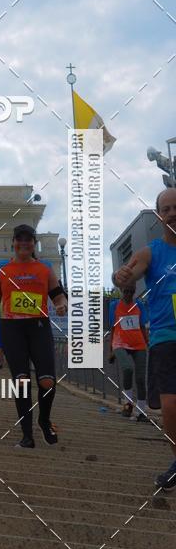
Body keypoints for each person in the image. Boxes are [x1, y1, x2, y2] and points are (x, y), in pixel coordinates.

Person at [112, 187, 176, 490]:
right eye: (166, 209)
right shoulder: (153, 251)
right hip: (166, 338)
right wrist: (121, 277)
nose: (172, 213)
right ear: (159, 216)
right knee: (171, 407)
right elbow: (128, 272)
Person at [0, 224, 68, 448]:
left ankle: (44, 419)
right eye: (19, 239)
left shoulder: (44, 268)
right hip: (12, 328)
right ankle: (27, 434)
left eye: (28, 239)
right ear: (13, 242)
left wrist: (61, 305)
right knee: (21, 382)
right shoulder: (1, 270)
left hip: (38, 327)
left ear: (33, 243)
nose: (23, 243)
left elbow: (58, 295)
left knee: (47, 381)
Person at [108, 286, 149, 421]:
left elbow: (142, 326)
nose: (128, 294)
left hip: (138, 343)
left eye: (131, 291)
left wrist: (148, 343)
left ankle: (141, 411)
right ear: (121, 291)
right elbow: (113, 328)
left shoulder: (139, 305)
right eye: (126, 291)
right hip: (119, 343)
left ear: (134, 292)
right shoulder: (114, 305)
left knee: (140, 378)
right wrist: (111, 350)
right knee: (127, 369)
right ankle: (128, 404)